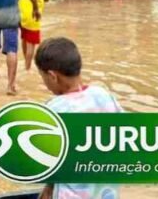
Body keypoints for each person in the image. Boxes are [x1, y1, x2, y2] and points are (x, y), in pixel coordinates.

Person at [35, 37, 123, 199]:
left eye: (43, 77)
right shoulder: (104, 95)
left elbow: (45, 163)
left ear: (52, 76)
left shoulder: (54, 110)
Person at [19, 0, 52, 71]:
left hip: (21, 12)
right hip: (34, 14)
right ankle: (27, 69)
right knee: (31, 44)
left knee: (24, 38)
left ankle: (24, 62)